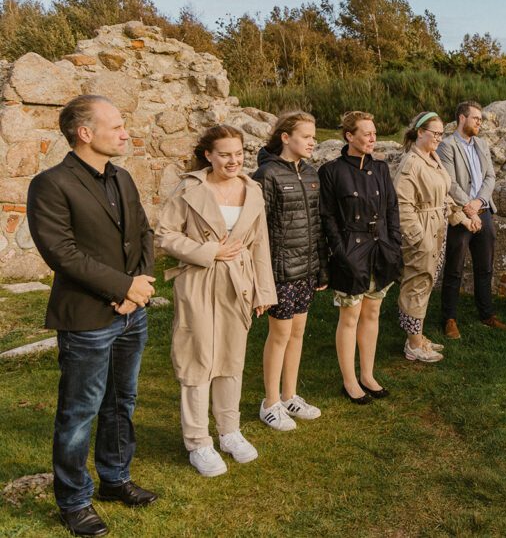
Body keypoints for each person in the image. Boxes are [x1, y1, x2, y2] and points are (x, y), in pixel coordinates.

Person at [27, 95, 158, 537]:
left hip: (130, 314)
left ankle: (115, 480)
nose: (125, 133)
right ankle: (74, 500)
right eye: (117, 125)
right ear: (85, 133)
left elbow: (143, 233)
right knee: (79, 412)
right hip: (85, 318)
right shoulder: (50, 184)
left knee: (122, 402)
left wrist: (138, 287)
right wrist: (123, 288)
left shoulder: (122, 177)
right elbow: (62, 254)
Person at [155, 125, 277, 477]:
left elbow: (259, 245)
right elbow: (164, 235)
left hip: (238, 284)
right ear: (208, 154)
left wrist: (263, 291)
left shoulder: (252, 190)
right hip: (196, 281)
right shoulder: (190, 188)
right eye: (225, 154)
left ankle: (230, 432)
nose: (233, 160)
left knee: (231, 359)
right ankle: (198, 442)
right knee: (197, 361)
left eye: (238, 154)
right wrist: (209, 251)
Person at [319, 111, 403, 401]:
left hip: (380, 249)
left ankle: (367, 374)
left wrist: (394, 243)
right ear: (349, 136)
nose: (372, 138)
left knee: (372, 312)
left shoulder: (381, 168)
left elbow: (392, 208)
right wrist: (341, 252)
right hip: (350, 251)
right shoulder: (331, 171)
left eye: (374, 133)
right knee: (350, 316)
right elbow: (327, 217)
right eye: (366, 133)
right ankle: (350, 380)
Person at [251, 112, 327, 430]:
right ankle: (270, 403)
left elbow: (317, 224)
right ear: (286, 137)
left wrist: (320, 268)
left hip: (306, 268)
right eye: (306, 136)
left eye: (314, 137)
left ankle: (289, 395)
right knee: (279, 335)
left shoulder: (311, 173)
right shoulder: (266, 175)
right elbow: (256, 230)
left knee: (297, 333)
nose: (312, 141)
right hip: (280, 270)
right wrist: (262, 277)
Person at [394, 111, 477, 362]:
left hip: (438, 229)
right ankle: (413, 345)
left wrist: (462, 218)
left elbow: (444, 197)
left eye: (442, 134)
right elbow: (402, 205)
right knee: (417, 284)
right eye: (435, 133)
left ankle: (417, 336)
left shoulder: (432, 158)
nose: (439, 139)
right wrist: (419, 239)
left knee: (426, 282)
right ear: (420, 132)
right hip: (423, 232)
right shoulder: (411, 163)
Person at [437, 101, 506, 339]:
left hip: (483, 210)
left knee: (485, 266)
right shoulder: (447, 146)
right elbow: (450, 183)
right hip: (459, 214)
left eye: (481, 119)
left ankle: (486, 313)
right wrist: (469, 208)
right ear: (461, 118)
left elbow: (490, 175)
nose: (479, 122)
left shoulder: (482, 144)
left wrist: (478, 203)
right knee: (455, 268)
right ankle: (449, 318)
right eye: (476, 118)